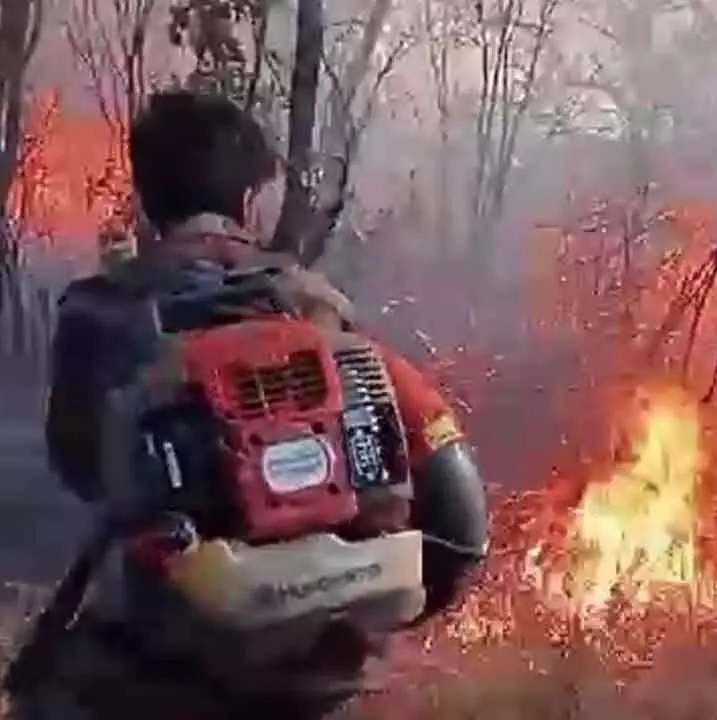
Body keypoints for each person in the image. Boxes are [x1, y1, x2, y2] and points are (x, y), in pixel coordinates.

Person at [41, 89, 486, 632]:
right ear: (249, 203)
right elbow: (460, 518)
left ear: (147, 202)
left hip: (157, 645)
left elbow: (78, 464)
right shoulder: (315, 308)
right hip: (324, 650)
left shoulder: (95, 316)